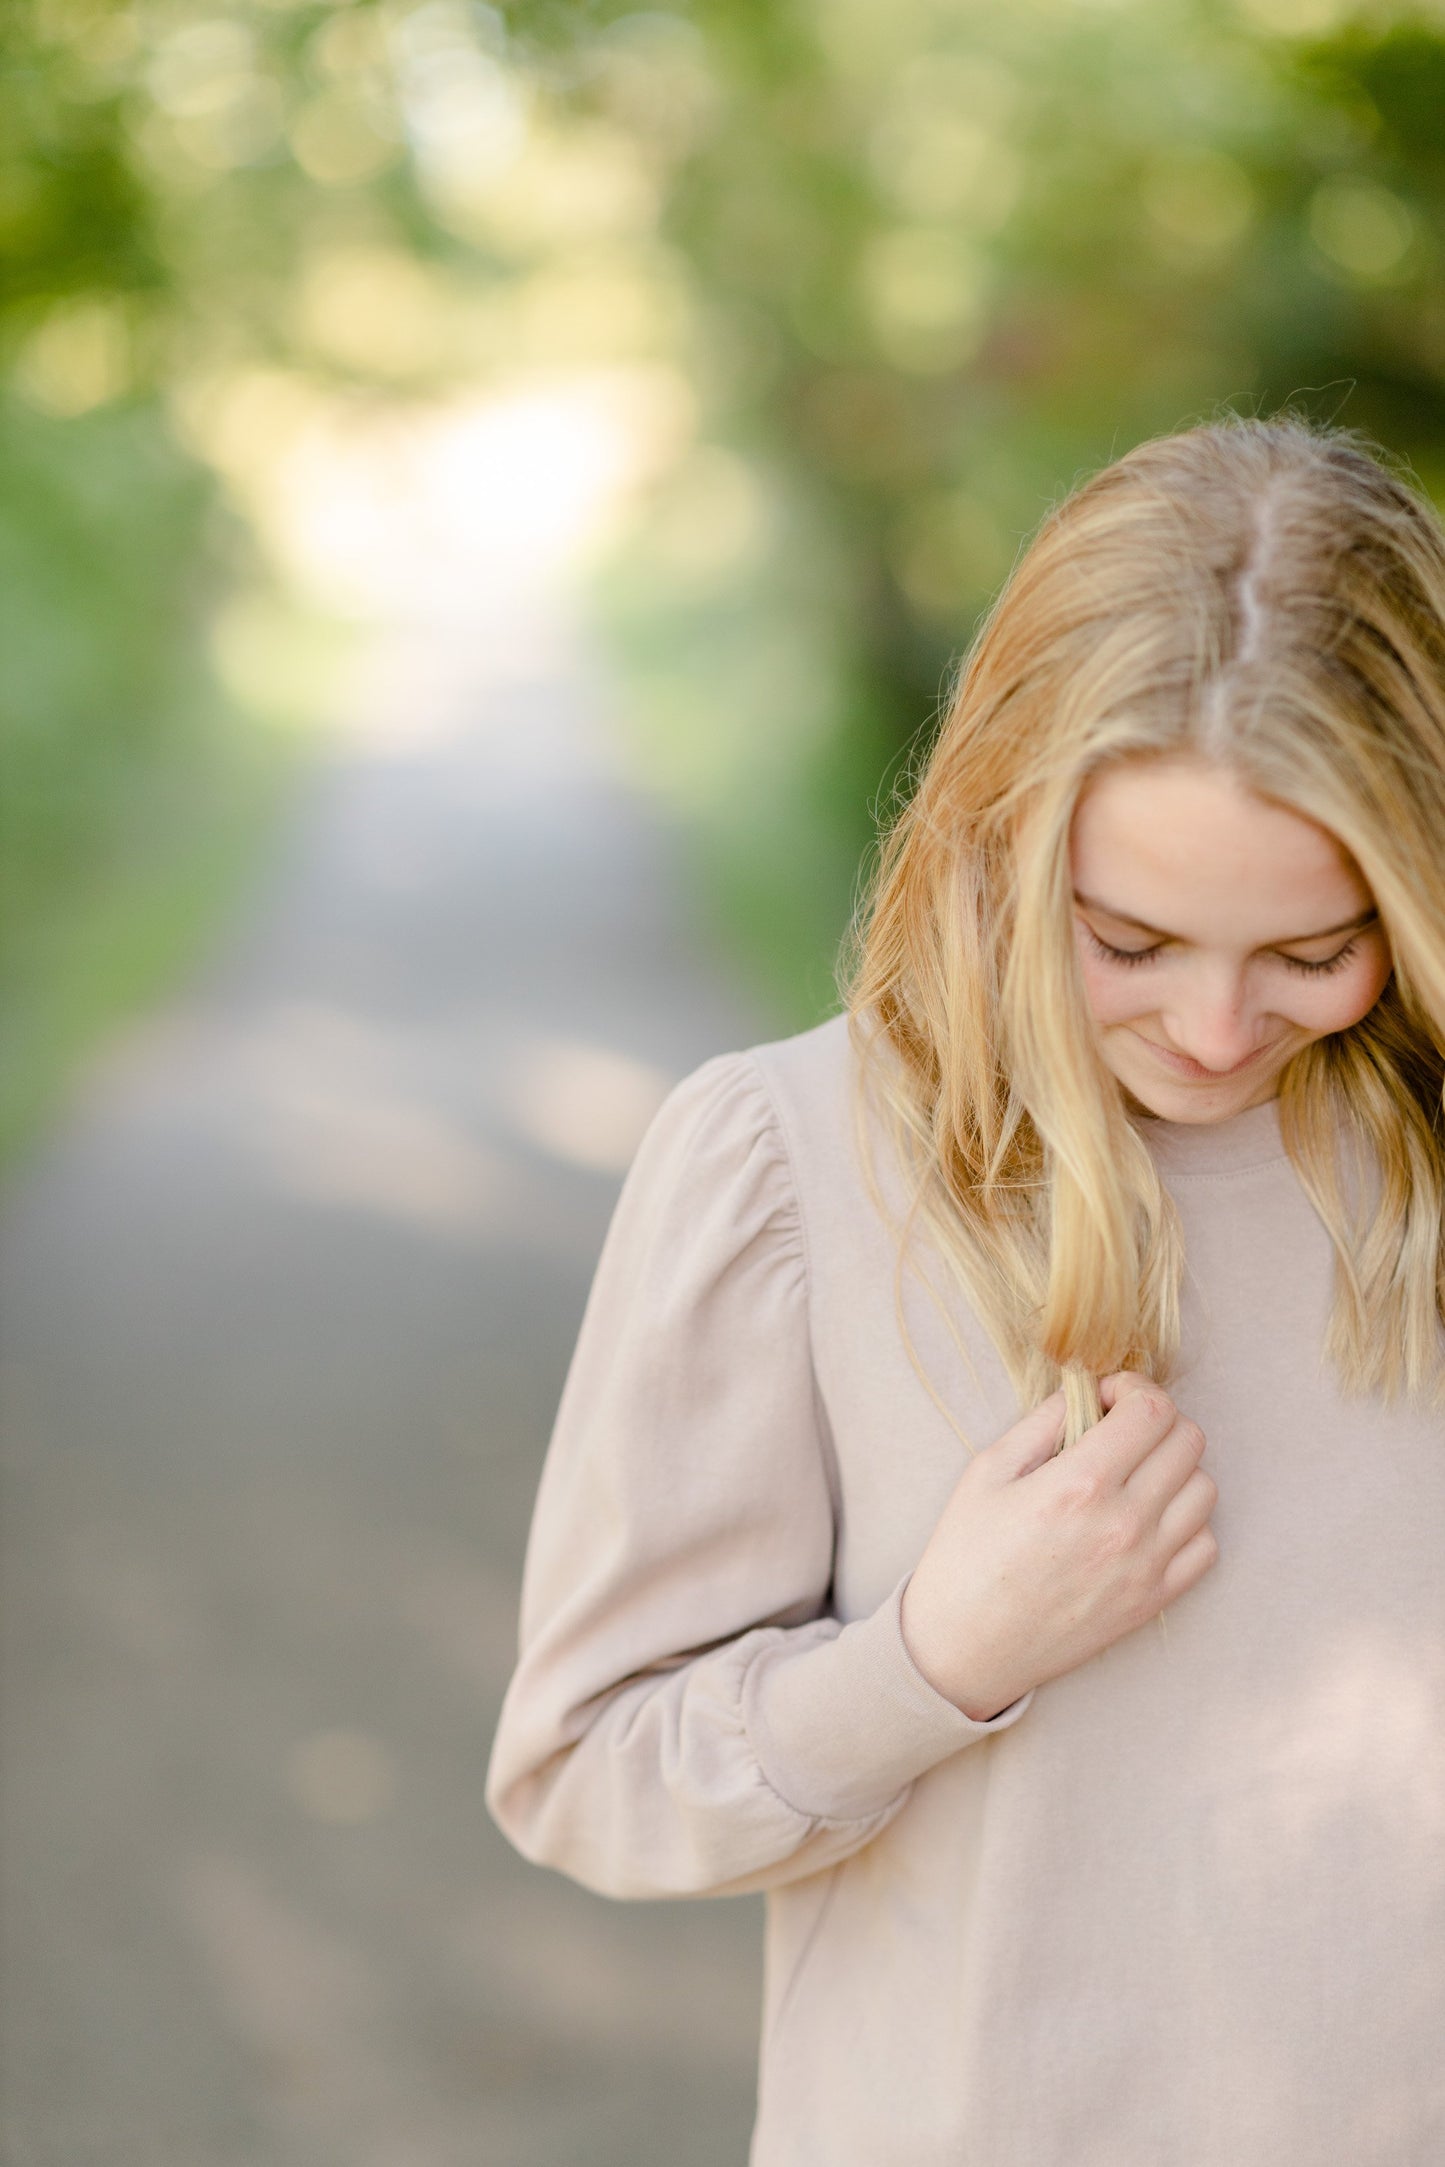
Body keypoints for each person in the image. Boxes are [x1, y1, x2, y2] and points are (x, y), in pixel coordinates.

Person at [485, 410, 1445, 2166]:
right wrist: (936, 1657)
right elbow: (586, 1775)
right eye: (1129, 942)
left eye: (1312, 951)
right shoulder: (791, 1165)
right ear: (996, 837)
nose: (1218, 1032)